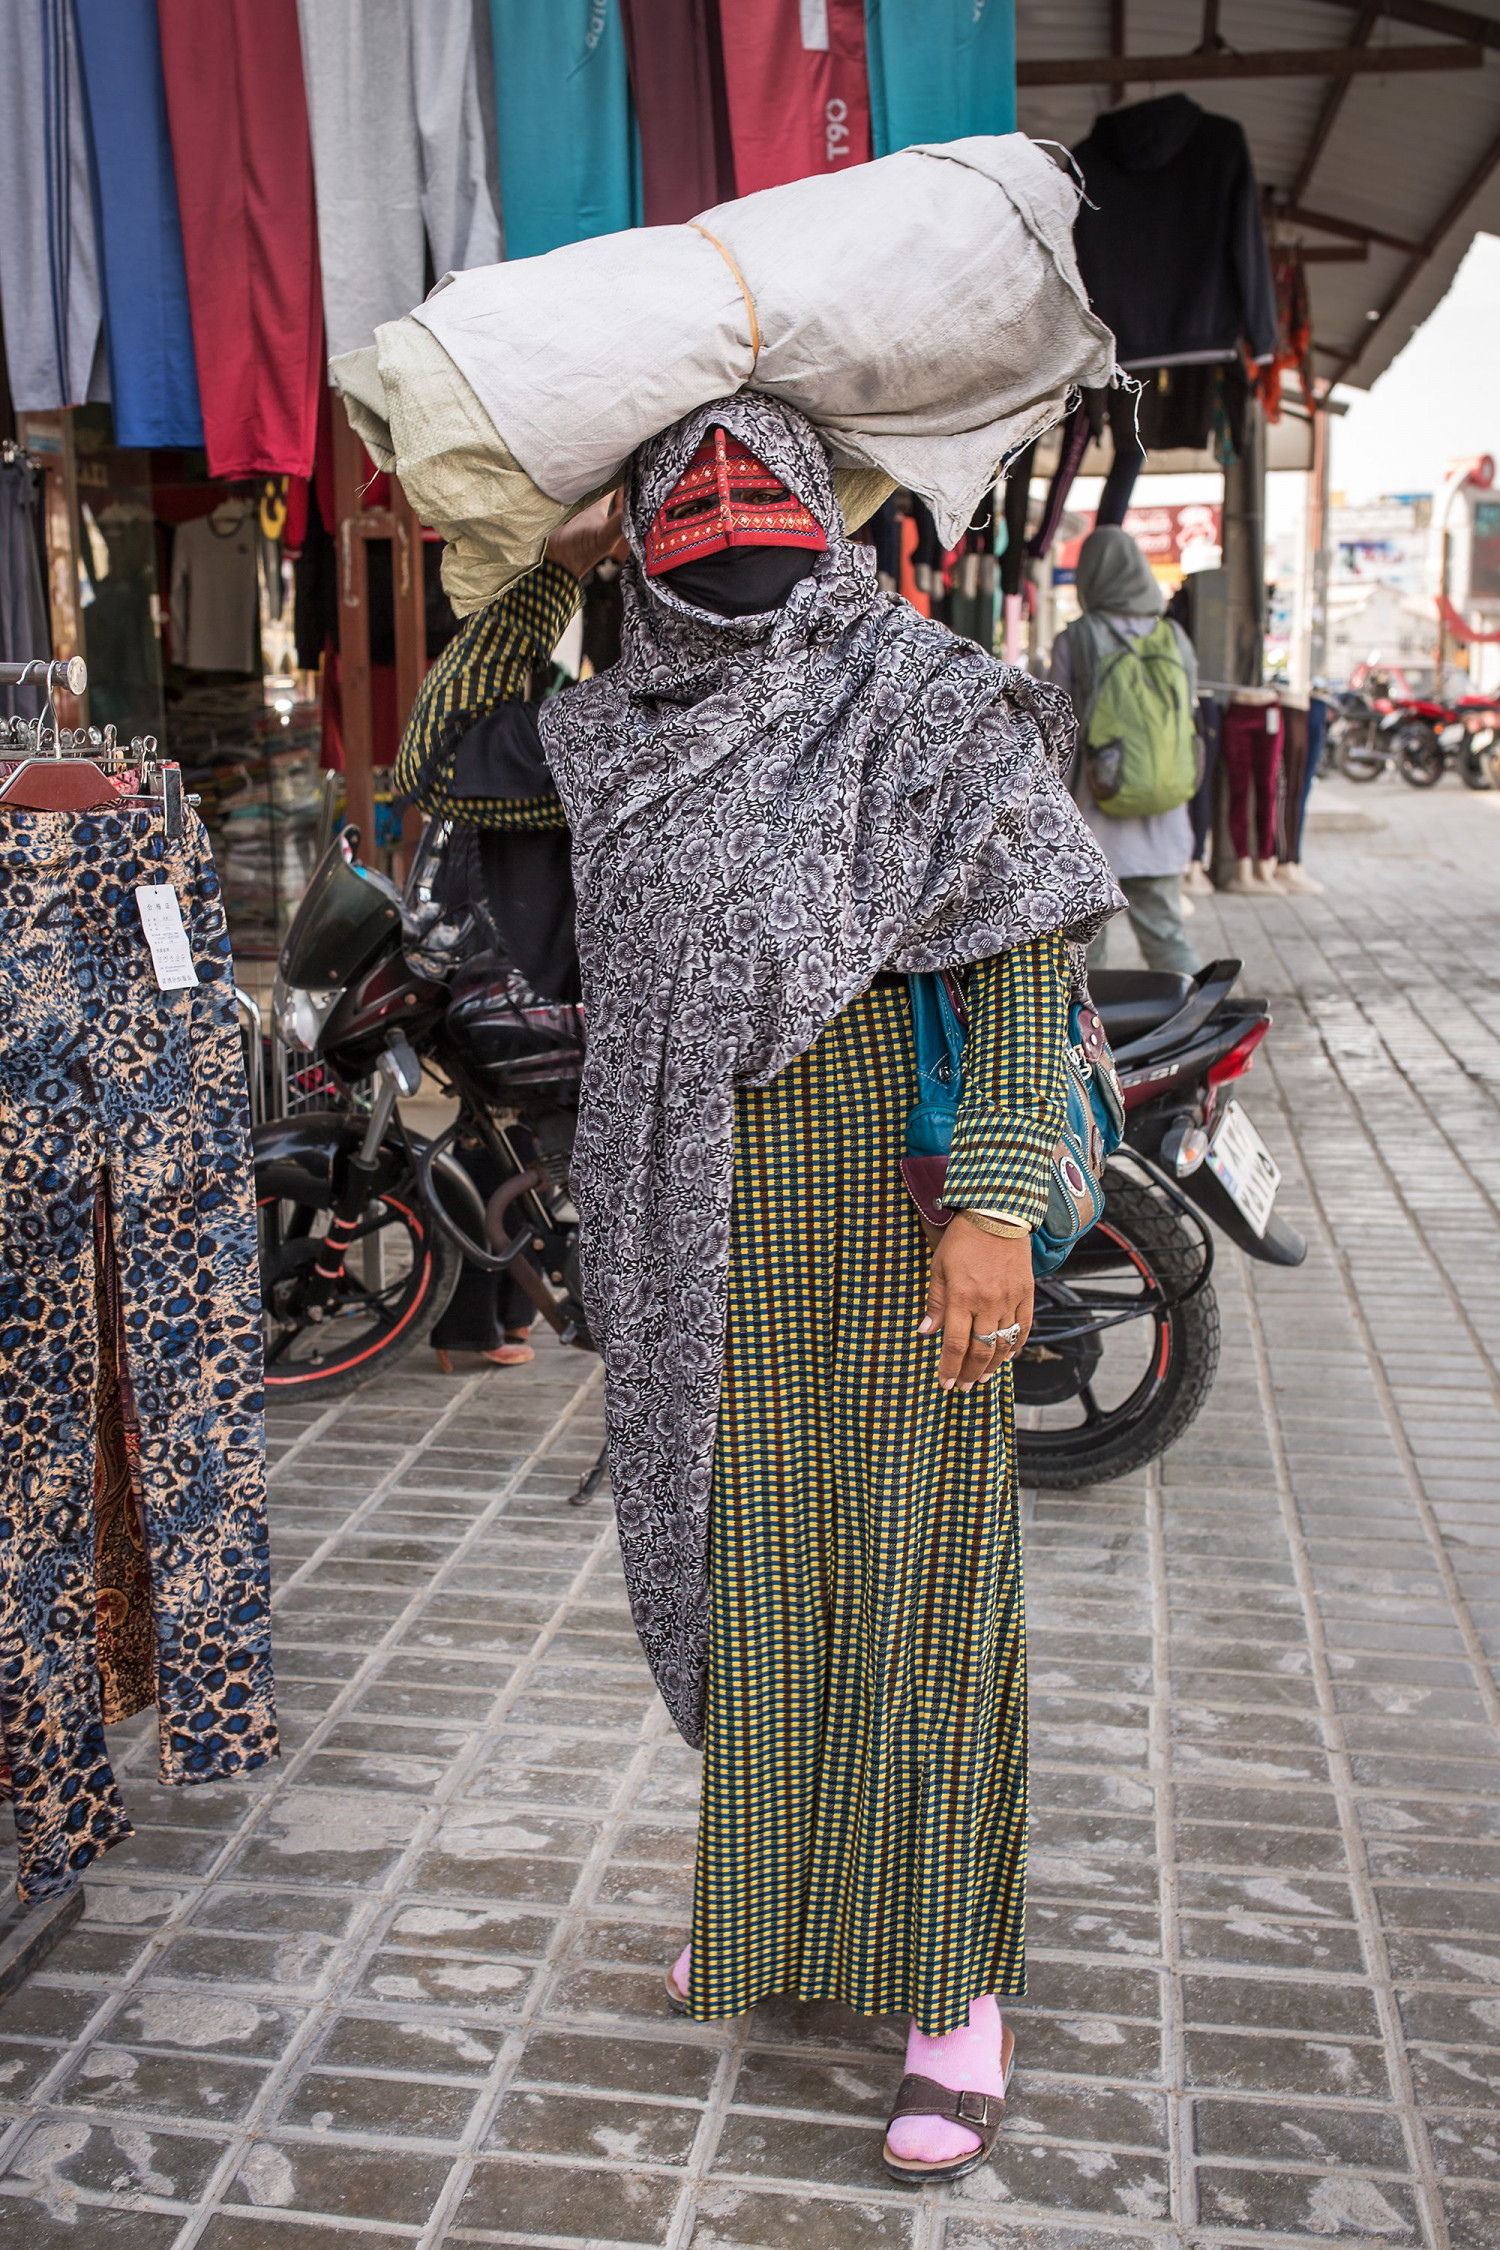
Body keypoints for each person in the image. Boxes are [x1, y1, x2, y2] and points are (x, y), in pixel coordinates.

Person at [397, 396, 1118, 2185]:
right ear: (635, 537)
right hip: (679, 1216)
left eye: (760, 481)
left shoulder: (931, 695)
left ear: (828, 508)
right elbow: (434, 743)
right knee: (750, 1573)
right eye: (679, 493)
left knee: (914, 1591)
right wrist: (541, 563)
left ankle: (949, 1989)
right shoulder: (599, 720)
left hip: (895, 1210)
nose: (725, 514)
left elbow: (1024, 955)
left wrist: (1004, 1205)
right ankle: (791, 1916)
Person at [1051, 524, 1201, 976]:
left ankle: (1093, 1043)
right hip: (1165, 813)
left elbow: (1057, 728)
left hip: (1093, 818)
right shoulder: (1173, 638)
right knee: (1166, 935)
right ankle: (1193, 1024)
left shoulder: (1076, 639)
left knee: (1085, 952)